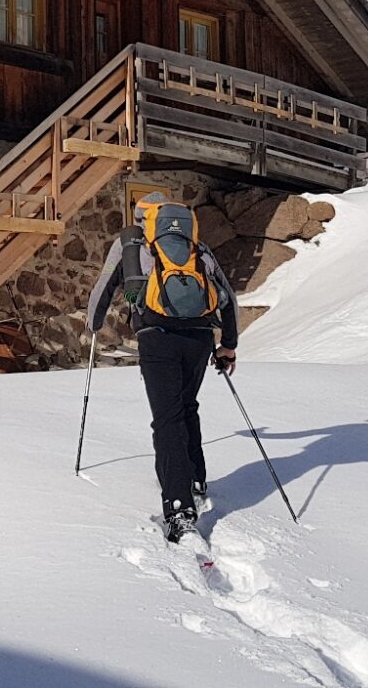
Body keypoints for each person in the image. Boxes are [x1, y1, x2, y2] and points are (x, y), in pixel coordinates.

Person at [84, 191, 239, 542]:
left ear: (142, 217)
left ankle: (179, 506)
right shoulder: (194, 246)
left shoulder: (130, 244)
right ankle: (195, 477)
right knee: (187, 406)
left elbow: (103, 289)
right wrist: (228, 344)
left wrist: (93, 325)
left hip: (157, 337)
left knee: (167, 418)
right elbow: (227, 298)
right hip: (199, 338)